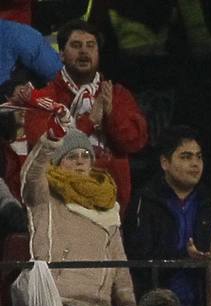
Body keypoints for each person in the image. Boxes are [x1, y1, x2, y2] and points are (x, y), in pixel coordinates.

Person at [123, 126, 211, 306]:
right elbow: (137, 263)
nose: (195, 164)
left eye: (198, 157)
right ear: (165, 163)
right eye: (185, 157)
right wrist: (189, 259)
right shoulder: (144, 201)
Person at [20, 127, 135, 306]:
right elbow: (31, 173)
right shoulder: (45, 195)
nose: (80, 161)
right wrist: (51, 139)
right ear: (57, 162)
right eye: (71, 156)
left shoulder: (107, 203)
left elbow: (119, 261)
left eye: (85, 155)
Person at [21, 20, 147, 203]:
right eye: (76, 45)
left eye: (90, 46)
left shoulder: (116, 94)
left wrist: (111, 115)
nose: (84, 51)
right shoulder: (42, 99)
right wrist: (89, 121)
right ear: (62, 54)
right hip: (59, 204)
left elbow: (134, 142)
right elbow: (43, 148)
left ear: (98, 53)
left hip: (111, 204)